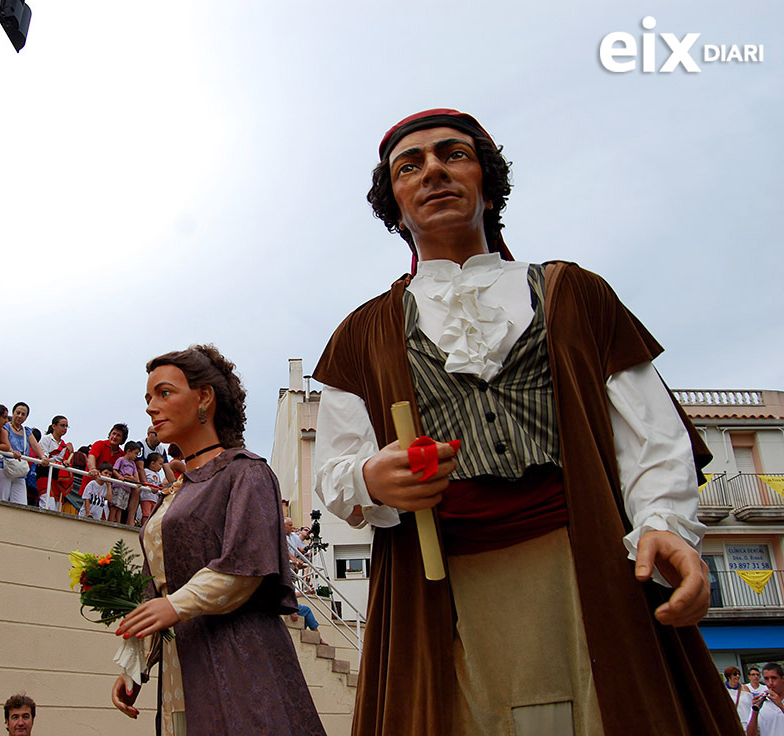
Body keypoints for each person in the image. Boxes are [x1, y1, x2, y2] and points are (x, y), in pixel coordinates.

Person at [312, 108, 734, 735]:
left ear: (487, 181)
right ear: (394, 206)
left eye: (453, 155)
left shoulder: (576, 294)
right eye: (410, 166)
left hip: (591, 569)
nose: (433, 171)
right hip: (443, 588)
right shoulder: (362, 333)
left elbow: (652, 438)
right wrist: (373, 478)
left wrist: (664, 525)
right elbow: (335, 473)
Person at [112, 345, 324, 735]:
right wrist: (137, 667)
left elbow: (245, 567)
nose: (150, 407)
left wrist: (174, 605)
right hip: (183, 661)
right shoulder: (174, 492)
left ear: (203, 398)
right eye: (147, 398)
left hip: (239, 656)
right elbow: (160, 590)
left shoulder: (246, 473)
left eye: (164, 393)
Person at [0, 402, 47, 505]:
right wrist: (12, 452)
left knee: (20, 503)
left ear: (26, 417)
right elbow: (5, 442)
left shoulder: (26, 431)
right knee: (0, 499)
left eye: (23, 414)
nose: (20, 416)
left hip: (19, 470)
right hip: (3, 465)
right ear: (13, 413)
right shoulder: (6, 427)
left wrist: (43, 457)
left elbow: (35, 446)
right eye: (18, 413)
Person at [37, 415, 74, 510]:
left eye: (66, 426)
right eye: (62, 425)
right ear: (54, 426)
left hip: (57, 477)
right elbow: (44, 458)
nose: (65, 428)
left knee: (57, 507)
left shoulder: (64, 445)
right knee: (47, 505)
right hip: (45, 475)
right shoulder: (46, 439)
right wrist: (59, 463)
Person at [748, 663, 784, 736]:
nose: (770, 683)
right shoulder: (762, 703)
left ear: (783, 679)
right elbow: (751, 734)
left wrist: (780, 705)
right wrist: (755, 711)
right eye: (766, 679)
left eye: (774, 678)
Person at [110, 441, 142, 524]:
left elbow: (135, 474)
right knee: (115, 505)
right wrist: (119, 476)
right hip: (119, 486)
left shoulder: (133, 464)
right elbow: (114, 469)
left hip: (127, 488)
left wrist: (137, 482)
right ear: (128, 451)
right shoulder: (121, 460)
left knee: (121, 506)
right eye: (135, 453)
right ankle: (110, 520)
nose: (136, 456)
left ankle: (118, 522)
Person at [139, 451, 165, 527]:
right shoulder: (146, 471)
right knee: (146, 513)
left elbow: (159, 484)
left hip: (154, 498)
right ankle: (144, 527)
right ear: (153, 463)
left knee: (152, 515)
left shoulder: (157, 474)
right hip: (146, 497)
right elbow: (144, 482)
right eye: (160, 464)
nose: (161, 467)